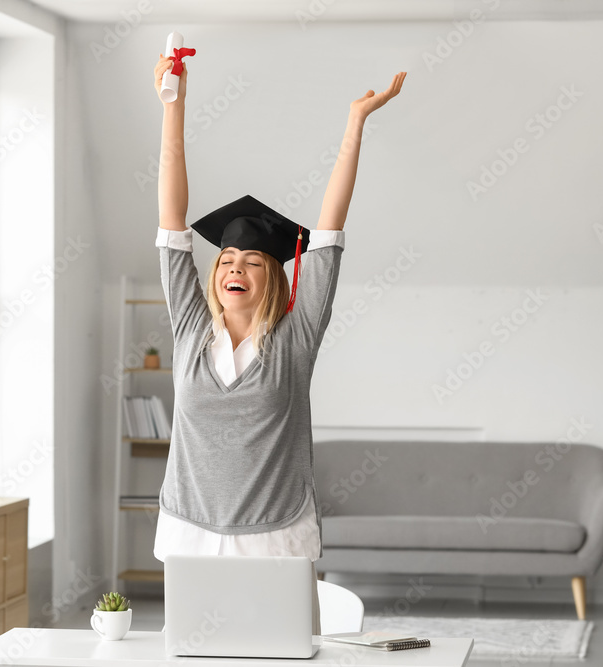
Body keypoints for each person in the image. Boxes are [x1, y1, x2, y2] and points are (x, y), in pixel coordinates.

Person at [152, 52, 405, 634]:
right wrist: (174, 105)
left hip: (276, 535)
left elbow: (329, 229)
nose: (234, 268)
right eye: (226, 259)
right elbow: (171, 219)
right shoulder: (190, 327)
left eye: (251, 261)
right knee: (192, 656)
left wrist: (355, 123)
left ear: (274, 276)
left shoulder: (296, 338)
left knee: (284, 654)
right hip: (189, 529)